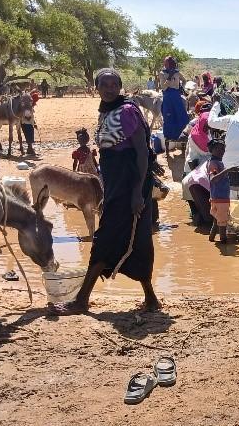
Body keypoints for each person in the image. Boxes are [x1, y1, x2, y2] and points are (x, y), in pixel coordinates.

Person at [49, 68, 160, 315]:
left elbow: (142, 154)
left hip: (130, 186)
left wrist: (136, 193)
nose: (109, 89)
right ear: (96, 88)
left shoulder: (128, 111)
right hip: (116, 187)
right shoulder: (107, 112)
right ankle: (151, 298)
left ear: (120, 86)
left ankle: (81, 300)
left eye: (113, 84)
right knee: (137, 239)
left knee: (106, 238)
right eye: (104, 85)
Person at [205, 140, 239, 243]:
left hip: (217, 197)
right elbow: (213, 179)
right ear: (211, 150)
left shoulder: (217, 162)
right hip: (220, 198)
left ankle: (211, 238)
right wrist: (228, 170)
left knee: (217, 220)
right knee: (223, 221)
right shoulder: (214, 163)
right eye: (218, 149)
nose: (222, 151)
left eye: (223, 149)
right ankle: (223, 241)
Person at [158, 56, 189, 155]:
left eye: (166, 63)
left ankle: (181, 137)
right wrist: (170, 77)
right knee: (168, 118)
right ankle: (168, 139)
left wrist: (181, 88)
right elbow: (163, 87)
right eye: (164, 63)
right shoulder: (162, 73)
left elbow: (184, 80)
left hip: (176, 96)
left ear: (170, 63)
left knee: (181, 116)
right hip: (167, 97)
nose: (164, 64)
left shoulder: (177, 72)